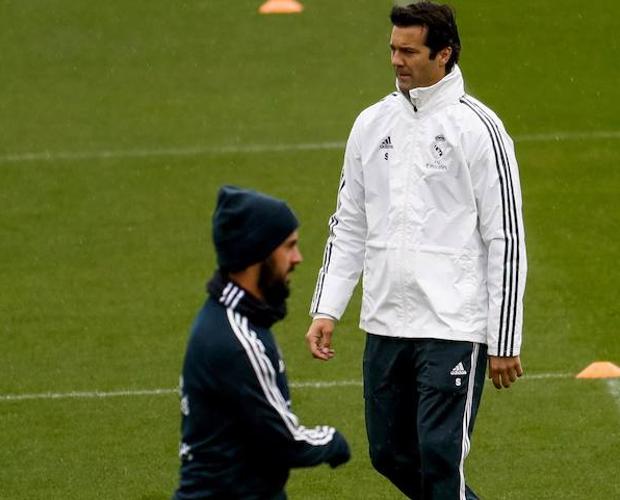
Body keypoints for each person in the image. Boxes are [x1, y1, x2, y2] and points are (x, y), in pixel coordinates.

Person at [306, 2, 527, 499]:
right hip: (385, 322)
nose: (396, 60)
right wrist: (327, 308)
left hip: (452, 325)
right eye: (392, 49)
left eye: (408, 51)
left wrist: (504, 336)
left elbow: (506, 237)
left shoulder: (479, 129)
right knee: (388, 454)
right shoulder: (370, 124)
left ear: (443, 53)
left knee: (441, 457)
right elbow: (349, 224)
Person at [174, 186, 350, 500]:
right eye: (289, 247)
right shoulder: (236, 340)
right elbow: (286, 439)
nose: (298, 258)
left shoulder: (234, 317)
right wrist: (332, 441)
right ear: (257, 253)